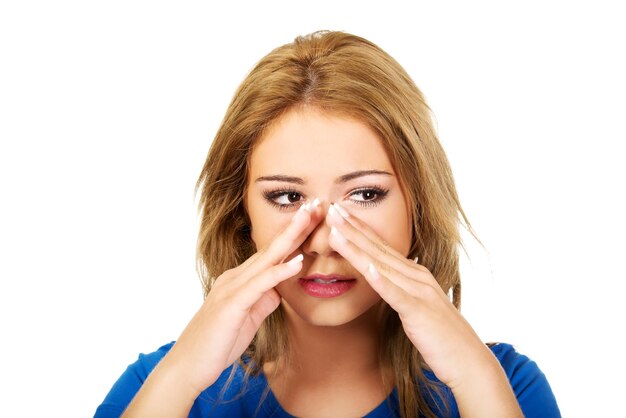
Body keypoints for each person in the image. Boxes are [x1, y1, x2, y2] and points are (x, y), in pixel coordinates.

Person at [94, 30, 560, 418]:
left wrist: (474, 377)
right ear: (242, 216)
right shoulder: (157, 387)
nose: (325, 241)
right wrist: (182, 376)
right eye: (287, 197)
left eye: (365, 194)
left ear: (419, 204)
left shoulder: (507, 386)